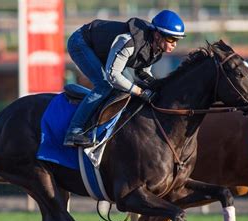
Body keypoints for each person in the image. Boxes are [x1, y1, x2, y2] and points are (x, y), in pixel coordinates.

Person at [63, 10, 186, 147]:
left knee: (124, 87)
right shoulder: (129, 41)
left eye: (177, 40)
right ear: (157, 35)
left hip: (101, 50)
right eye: (171, 39)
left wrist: (158, 87)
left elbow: (143, 74)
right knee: (104, 85)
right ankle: (74, 131)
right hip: (81, 43)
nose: (174, 44)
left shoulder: (156, 51)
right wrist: (139, 92)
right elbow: (113, 76)